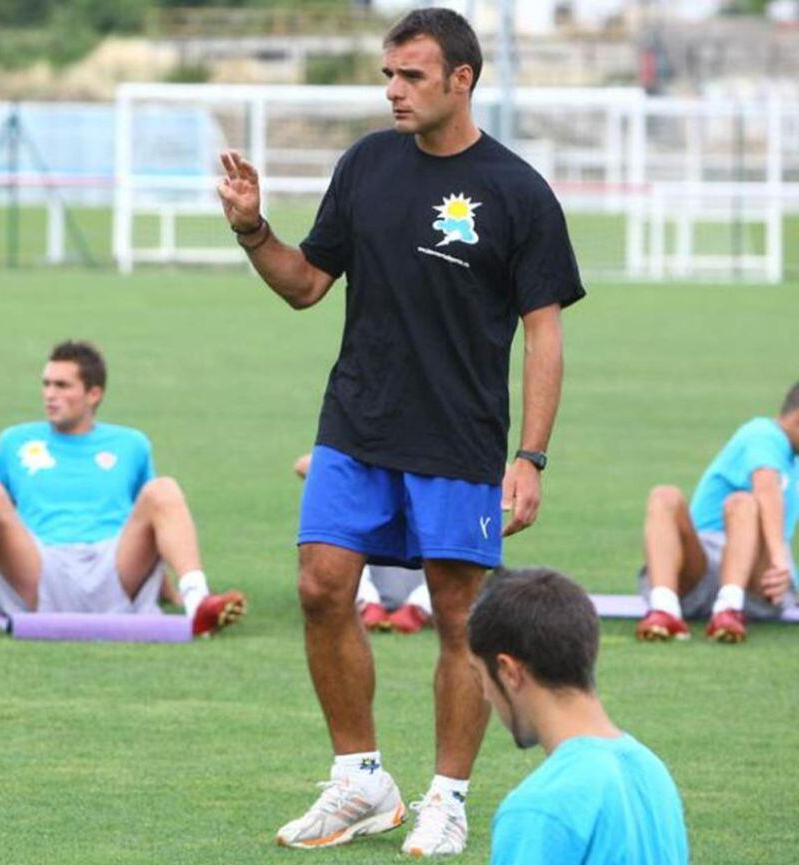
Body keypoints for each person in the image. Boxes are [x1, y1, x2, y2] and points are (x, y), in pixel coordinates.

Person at [218, 7, 584, 856]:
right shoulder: (366, 165)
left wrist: (530, 455)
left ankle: (446, 796)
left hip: (459, 437)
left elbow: (545, 332)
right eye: (388, 74)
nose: (393, 91)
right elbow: (306, 284)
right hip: (357, 420)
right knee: (319, 583)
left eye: (411, 75)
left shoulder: (518, 190)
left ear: (462, 79)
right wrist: (250, 228)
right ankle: (360, 779)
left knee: (461, 618)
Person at [0, 340, 246, 638]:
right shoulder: (14, 441)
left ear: (93, 393)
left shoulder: (131, 444)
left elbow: (153, 524)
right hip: (39, 567)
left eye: (62, 385)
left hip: (113, 567)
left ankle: (197, 602)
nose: (49, 394)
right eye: (46, 384)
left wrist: (169, 591)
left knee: (164, 490)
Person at [468, 567, 689, 865]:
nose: (484, 694)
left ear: (509, 671)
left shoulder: (538, 807)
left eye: (480, 676)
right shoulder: (651, 772)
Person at [636, 382, 799, 643]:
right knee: (667, 497)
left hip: (751, 586)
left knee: (742, 502)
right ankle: (664, 607)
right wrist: (781, 560)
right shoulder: (764, 435)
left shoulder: (792, 457)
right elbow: (766, 488)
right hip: (701, 568)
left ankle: (728, 608)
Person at [295, 452, 432, 634]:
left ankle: (418, 608)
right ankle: (368, 603)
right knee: (343, 529)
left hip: (420, 567)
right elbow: (303, 465)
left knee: (460, 551)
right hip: (377, 566)